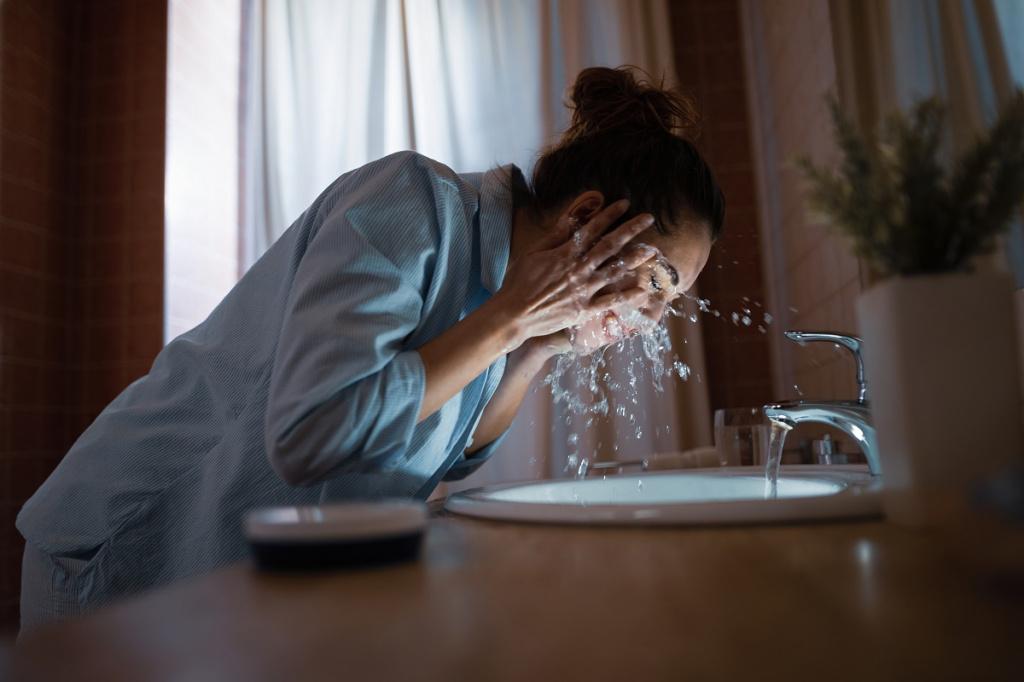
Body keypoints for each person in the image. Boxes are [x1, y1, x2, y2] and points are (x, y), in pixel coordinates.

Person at [16, 66, 724, 631]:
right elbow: (311, 432)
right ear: (584, 216)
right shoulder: (411, 201)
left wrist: (540, 344)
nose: (655, 313)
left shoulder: (503, 291)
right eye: (659, 277)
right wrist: (512, 319)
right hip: (126, 553)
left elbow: (459, 451)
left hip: (238, 576)